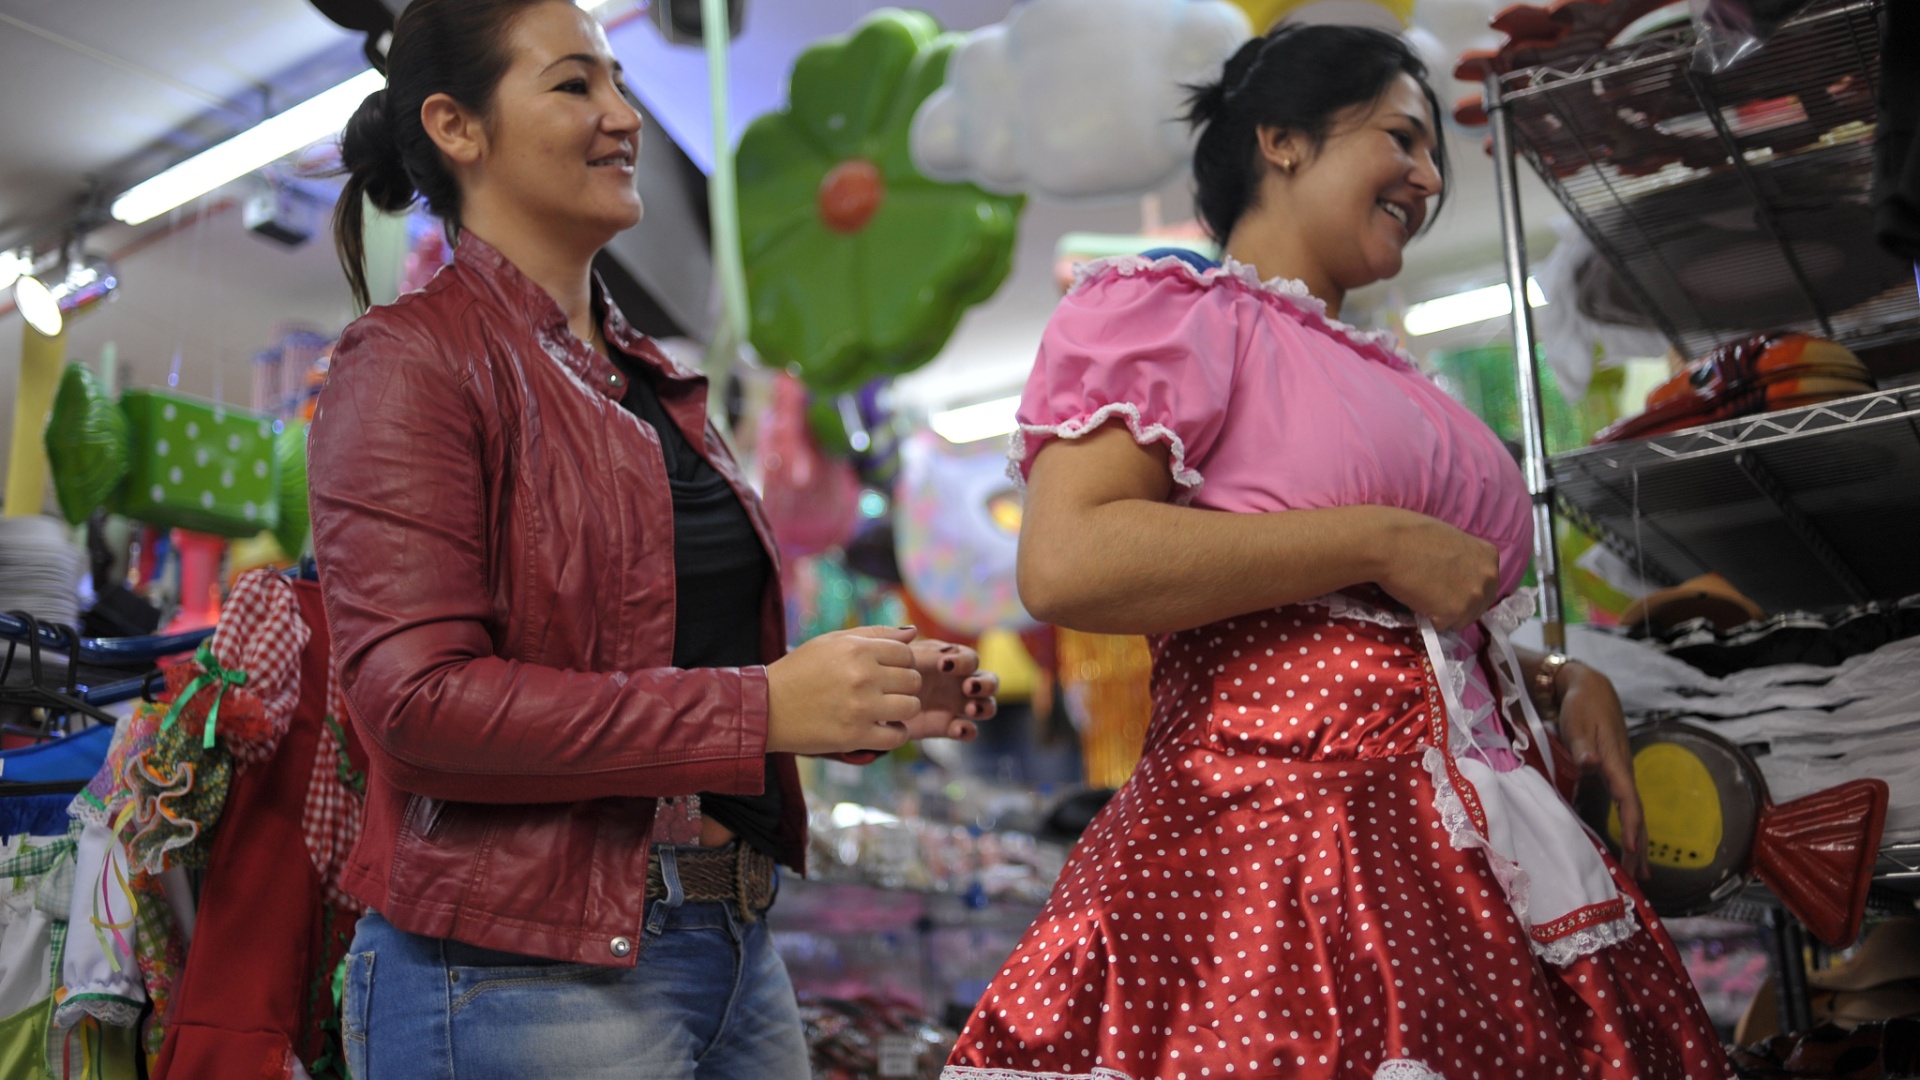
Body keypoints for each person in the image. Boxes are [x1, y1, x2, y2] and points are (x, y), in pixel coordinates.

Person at [944, 24, 1731, 1080]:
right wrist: (1380, 536)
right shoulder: (1173, 311)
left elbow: (1386, 618)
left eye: (1434, 155)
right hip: (1271, 863)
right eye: (1401, 137)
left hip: (1484, 860)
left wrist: (1546, 677)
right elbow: (1070, 559)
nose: (1428, 178)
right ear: (1281, 139)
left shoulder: (1396, 380)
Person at [306, 1, 998, 1076]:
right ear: (456, 125)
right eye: (574, 84)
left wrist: (857, 695)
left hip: (733, 944)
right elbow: (416, 709)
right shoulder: (409, 358)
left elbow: (665, 657)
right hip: (519, 972)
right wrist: (765, 706)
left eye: (620, 84)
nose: (624, 116)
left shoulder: (654, 383)